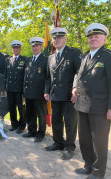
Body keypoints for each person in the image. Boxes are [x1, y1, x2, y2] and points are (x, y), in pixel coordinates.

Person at [72, 23, 111, 179]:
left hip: (99, 107)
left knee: (99, 141)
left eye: (96, 37)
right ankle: (88, 165)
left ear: (104, 39)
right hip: (82, 105)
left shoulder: (108, 56)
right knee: (84, 139)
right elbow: (79, 75)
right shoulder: (85, 56)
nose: (93, 39)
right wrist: (75, 88)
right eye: (90, 37)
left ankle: (98, 172)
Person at [44, 27, 82, 160]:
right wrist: (46, 91)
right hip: (55, 95)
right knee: (56, 121)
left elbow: (79, 72)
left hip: (69, 95)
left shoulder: (73, 53)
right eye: (54, 38)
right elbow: (48, 77)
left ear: (65, 38)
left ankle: (70, 147)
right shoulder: (51, 57)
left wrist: (75, 89)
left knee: (70, 122)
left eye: (59, 37)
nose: (56, 39)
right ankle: (58, 142)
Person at [22, 37, 49, 143]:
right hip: (28, 92)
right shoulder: (28, 60)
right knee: (29, 113)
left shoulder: (46, 60)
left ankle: (41, 133)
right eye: (33, 46)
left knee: (41, 114)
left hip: (39, 92)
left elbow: (48, 77)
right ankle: (31, 131)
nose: (35, 47)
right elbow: (26, 76)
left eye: (37, 45)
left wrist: (46, 91)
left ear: (41, 47)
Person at [4, 40, 27, 134]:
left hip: (19, 89)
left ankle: (22, 126)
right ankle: (14, 124)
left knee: (21, 109)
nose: (16, 49)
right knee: (11, 108)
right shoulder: (7, 60)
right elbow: (5, 75)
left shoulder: (24, 59)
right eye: (14, 48)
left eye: (17, 48)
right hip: (10, 89)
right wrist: (5, 88)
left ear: (20, 49)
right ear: (11, 49)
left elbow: (26, 75)